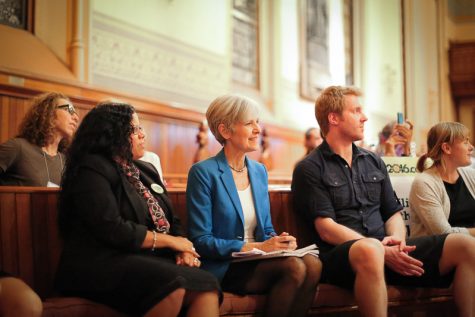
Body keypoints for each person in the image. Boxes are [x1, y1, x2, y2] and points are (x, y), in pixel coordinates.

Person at [292, 85, 475, 317]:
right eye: (356, 110)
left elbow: (393, 213)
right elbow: (326, 229)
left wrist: (397, 244)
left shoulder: (372, 161)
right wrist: (380, 249)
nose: (364, 117)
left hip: (384, 248)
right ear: (333, 118)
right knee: (370, 250)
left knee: (464, 245)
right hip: (342, 256)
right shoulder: (310, 168)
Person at [55, 102, 220, 317]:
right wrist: (172, 242)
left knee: (207, 284)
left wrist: (183, 249)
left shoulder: (146, 170)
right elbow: (111, 228)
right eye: (134, 129)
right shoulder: (92, 168)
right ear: (113, 133)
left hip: (145, 259)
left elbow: (172, 220)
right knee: (172, 284)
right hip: (99, 263)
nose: (143, 134)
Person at [187, 94, 321, 317]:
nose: (258, 129)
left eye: (257, 122)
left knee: (313, 264)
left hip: (260, 260)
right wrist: (252, 248)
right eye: (249, 123)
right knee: (295, 267)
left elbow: (266, 229)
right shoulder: (203, 173)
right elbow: (201, 241)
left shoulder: (259, 171)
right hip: (225, 265)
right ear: (225, 131)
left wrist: (279, 242)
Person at [410, 122, 475, 237]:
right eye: (465, 142)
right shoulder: (424, 183)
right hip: (436, 250)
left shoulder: (471, 175)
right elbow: (443, 233)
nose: (471, 147)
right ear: (447, 148)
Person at [0, 92, 79, 186]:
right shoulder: (17, 148)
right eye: (69, 110)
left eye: (75, 113)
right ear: (48, 112)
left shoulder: (66, 159)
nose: (76, 118)